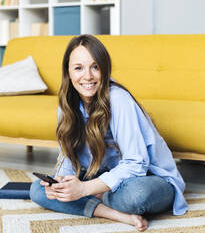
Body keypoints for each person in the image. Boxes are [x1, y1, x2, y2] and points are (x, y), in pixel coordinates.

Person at [30, 34, 188, 231]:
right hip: (101, 177)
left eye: (95, 67)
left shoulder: (118, 99)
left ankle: (93, 198)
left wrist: (85, 189)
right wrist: (61, 181)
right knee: (38, 190)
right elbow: (68, 157)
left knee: (136, 196)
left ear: (104, 70)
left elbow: (136, 164)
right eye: (78, 68)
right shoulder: (66, 105)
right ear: (68, 72)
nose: (87, 76)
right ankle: (114, 213)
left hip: (146, 179)